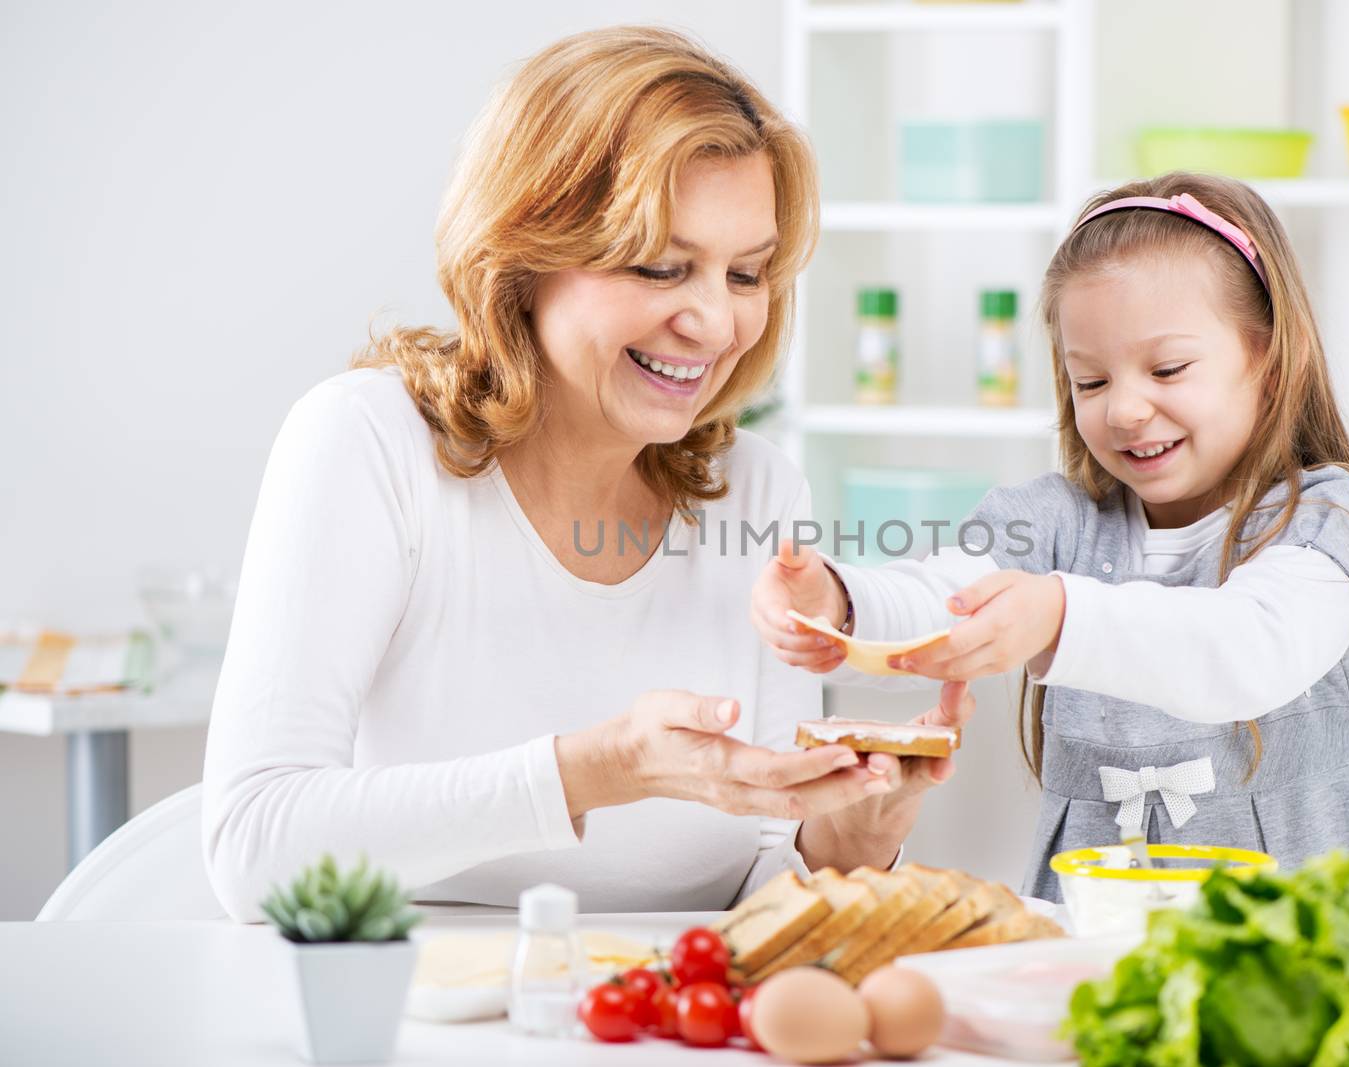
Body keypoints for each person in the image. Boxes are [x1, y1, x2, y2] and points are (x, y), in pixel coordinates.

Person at [202, 26, 969, 922]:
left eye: (747, 272)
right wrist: (597, 769)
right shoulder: (369, 445)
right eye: (660, 266)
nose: (716, 324)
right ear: (526, 253)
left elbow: (754, 890)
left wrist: (849, 841)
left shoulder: (755, 492)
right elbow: (253, 846)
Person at [751, 173, 1349, 897]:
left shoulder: (1324, 522)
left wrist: (1060, 614)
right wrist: (841, 603)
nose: (1126, 409)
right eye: (1090, 382)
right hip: (1092, 965)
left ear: (1269, 356)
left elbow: (1248, 647)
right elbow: (948, 589)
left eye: (1168, 368)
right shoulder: (1056, 520)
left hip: (1299, 969)